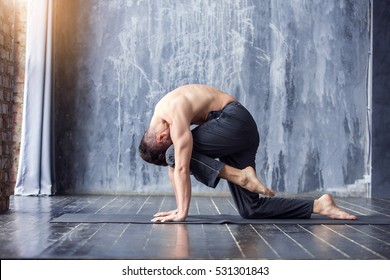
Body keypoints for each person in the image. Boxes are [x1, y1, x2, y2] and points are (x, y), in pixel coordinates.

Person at [138, 84, 357, 222]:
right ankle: (320, 205)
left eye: (169, 141)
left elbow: (182, 165)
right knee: (251, 209)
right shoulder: (165, 119)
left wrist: (183, 213)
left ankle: (241, 176)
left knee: (175, 155)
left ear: (160, 136)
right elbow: (175, 168)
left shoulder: (172, 111)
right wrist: (177, 208)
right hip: (240, 132)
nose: (173, 140)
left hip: (232, 121)